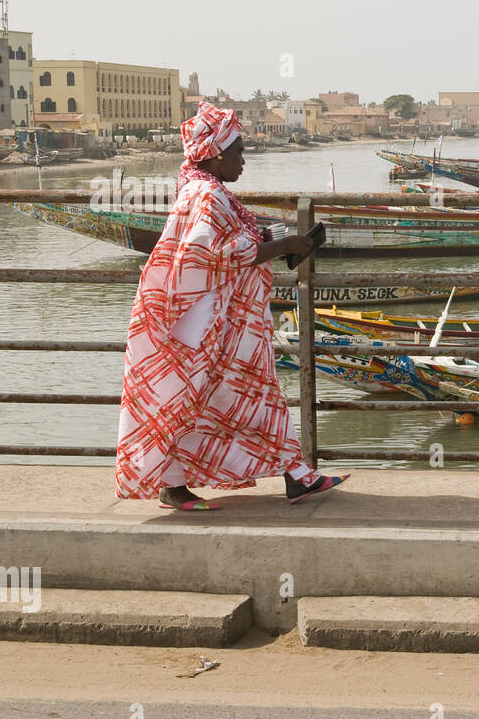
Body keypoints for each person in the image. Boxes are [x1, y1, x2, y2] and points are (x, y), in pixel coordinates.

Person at [116, 102, 348, 511]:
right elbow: (209, 253)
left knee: (243, 397)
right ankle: (176, 486)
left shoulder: (201, 188)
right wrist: (284, 246)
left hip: (221, 323)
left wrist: (265, 240)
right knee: (202, 400)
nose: (244, 160)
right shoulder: (206, 193)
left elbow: (223, 242)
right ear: (217, 153)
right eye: (239, 151)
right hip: (207, 327)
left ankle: (297, 476)